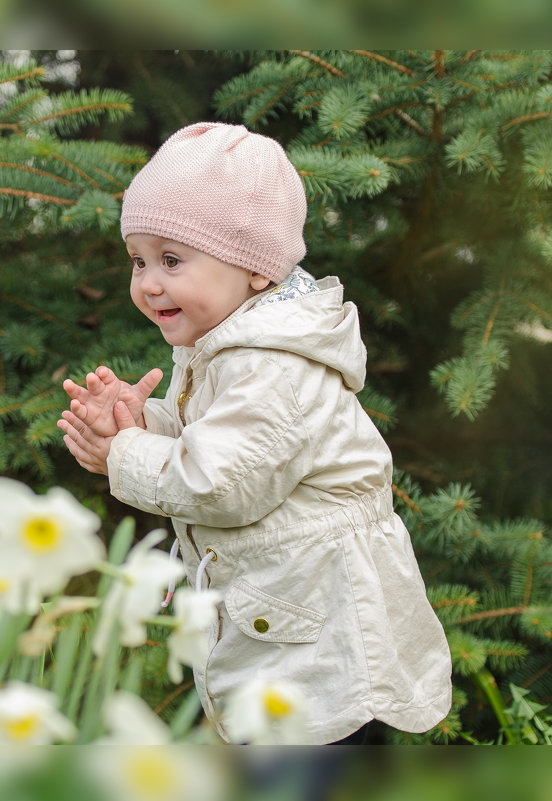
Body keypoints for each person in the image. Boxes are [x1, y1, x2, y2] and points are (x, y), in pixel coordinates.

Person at [57, 122, 452, 744]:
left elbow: (221, 482)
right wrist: (140, 422)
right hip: (283, 624)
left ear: (256, 269)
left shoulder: (273, 364)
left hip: (323, 643)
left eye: (171, 259)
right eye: (138, 260)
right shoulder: (235, 345)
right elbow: (220, 436)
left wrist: (123, 455)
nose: (149, 282)